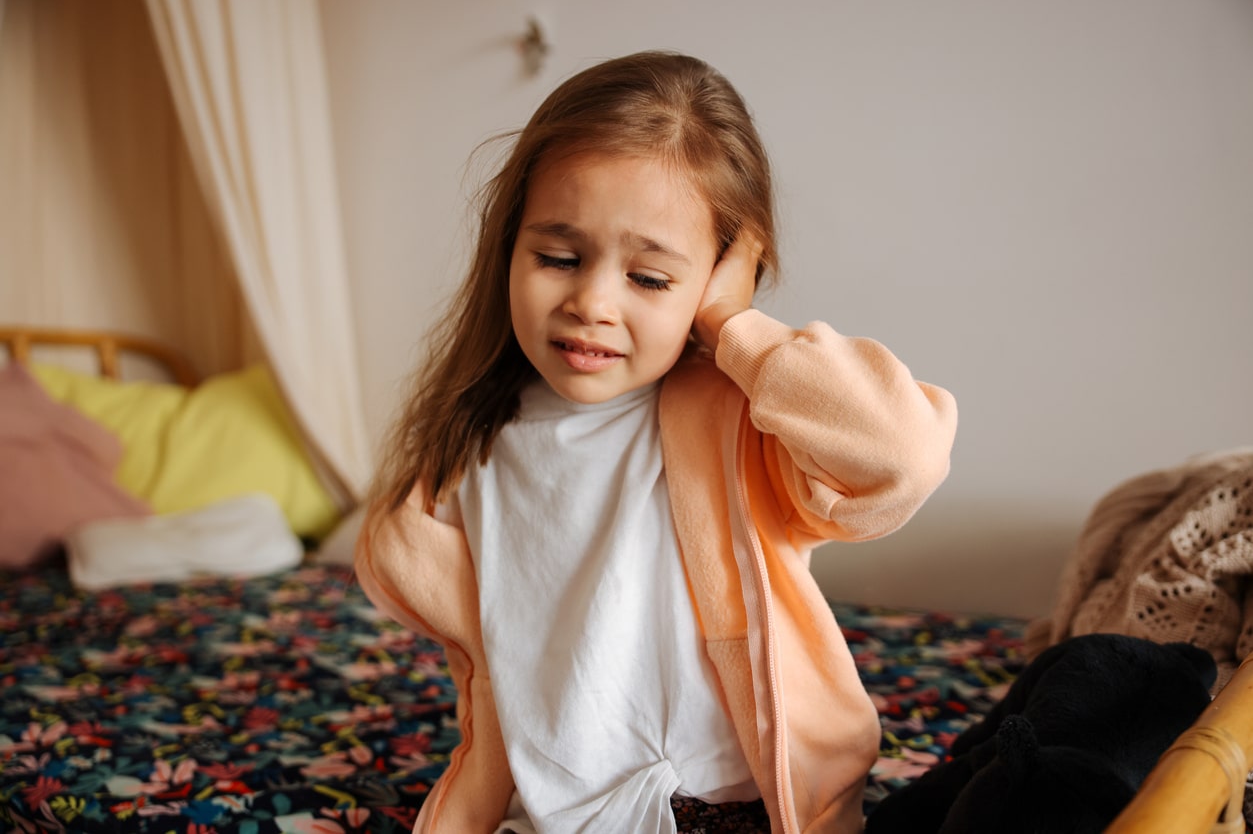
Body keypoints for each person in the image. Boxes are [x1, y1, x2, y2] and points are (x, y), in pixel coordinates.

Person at [355, 50, 958, 834]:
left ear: (718, 274)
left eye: (648, 279)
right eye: (558, 258)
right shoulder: (475, 443)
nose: (591, 302)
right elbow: (494, 680)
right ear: (508, 246)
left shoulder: (741, 420)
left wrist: (731, 327)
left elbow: (900, 455)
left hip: (729, 807)